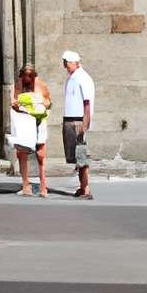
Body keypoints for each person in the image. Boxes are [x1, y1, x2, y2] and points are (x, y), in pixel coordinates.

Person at [8, 63, 50, 197]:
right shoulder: (16, 86)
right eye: (25, 76)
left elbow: (48, 102)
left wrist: (40, 103)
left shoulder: (40, 85)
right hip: (24, 121)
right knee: (22, 152)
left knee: (40, 153)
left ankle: (43, 186)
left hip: (38, 121)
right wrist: (15, 104)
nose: (27, 79)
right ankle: (26, 185)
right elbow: (13, 102)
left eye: (30, 76)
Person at [61, 49, 95, 197]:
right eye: (64, 63)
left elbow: (87, 102)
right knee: (76, 157)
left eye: (67, 63)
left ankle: (86, 189)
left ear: (75, 62)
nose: (65, 66)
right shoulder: (72, 77)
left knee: (81, 156)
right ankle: (82, 187)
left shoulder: (83, 77)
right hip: (70, 120)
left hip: (78, 120)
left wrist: (85, 123)